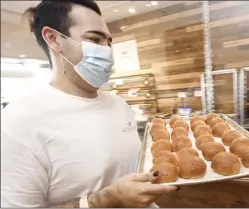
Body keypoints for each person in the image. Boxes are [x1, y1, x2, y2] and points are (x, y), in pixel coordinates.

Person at [1, 1, 177, 207]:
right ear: (54, 39)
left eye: (108, 43)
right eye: (94, 39)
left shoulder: (119, 105)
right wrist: (105, 199)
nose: (107, 52)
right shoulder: (17, 124)